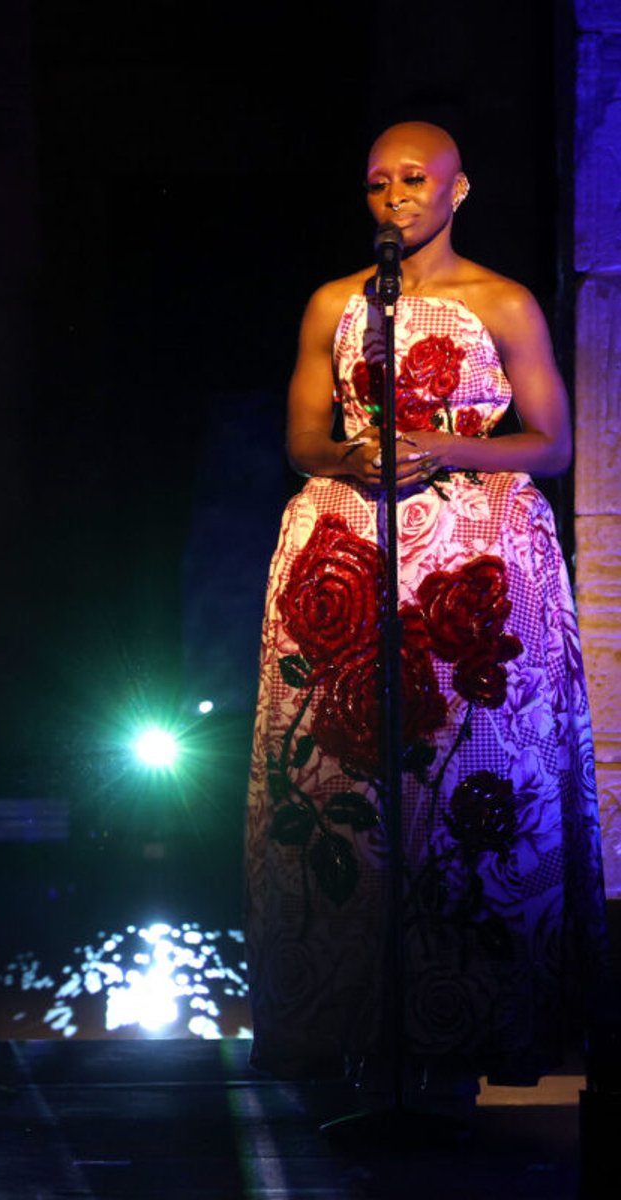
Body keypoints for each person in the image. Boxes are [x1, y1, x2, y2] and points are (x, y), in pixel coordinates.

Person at [244, 121, 609, 1112]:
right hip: (354, 545)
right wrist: (348, 458)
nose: (395, 198)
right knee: (353, 785)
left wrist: (445, 450)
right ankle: (359, 1034)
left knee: (467, 783)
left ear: (457, 190)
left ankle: (456, 1044)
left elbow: (549, 443)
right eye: (376, 184)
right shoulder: (336, 301)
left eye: (414, 180)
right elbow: (301, 438)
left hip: (475, 557)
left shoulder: (502, 301)